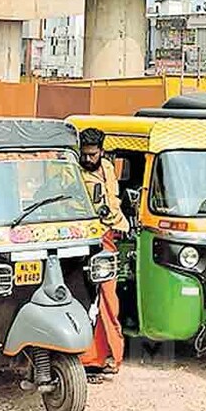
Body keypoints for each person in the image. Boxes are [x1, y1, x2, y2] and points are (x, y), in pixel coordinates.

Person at [77, 127, 127, 380]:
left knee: (109, 301)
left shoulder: (107, 167)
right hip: (85, 242)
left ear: (102, 152)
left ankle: (112, 356)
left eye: (92, 155)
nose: (87, 159)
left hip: (110, 238)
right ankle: (88, 358)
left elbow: (113, 204)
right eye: (84, 154)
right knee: (87, 301)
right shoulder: (71, 171)